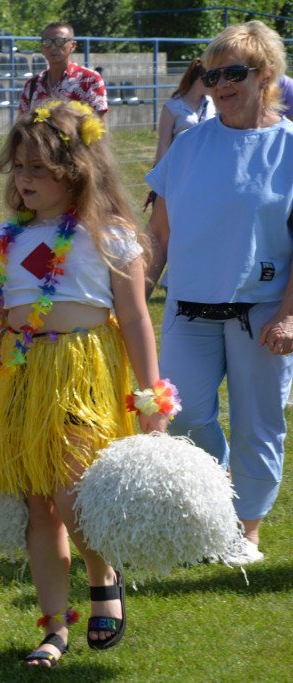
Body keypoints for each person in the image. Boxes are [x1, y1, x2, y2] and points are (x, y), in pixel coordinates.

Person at [0, 101, 170, 667]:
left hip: (83, 371)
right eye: (19, 169)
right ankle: (54, 625)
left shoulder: (111, 236)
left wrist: (151, 396)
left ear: (75, 170)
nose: (24, 180)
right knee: (37, 503)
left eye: (38, 169)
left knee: (70, 489)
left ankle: (104, 576)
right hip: (25, 373)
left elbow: (133, 320)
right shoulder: (8, 239)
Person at [145, 21, 293, 566]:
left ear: (266, 75)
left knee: (259, 422)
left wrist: (289, 316)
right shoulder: (187, 146)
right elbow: (159, 236)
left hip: (263, 312)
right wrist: (136, 294)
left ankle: (246, 531)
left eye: (235, 72)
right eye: (212, 74)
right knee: (181, 415)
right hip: (189, 308)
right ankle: (215, 502)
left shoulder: (291, 147)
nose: (221, 84)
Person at [144, 58, 217, 210]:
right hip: (180, 169)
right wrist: (160, 178)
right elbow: (164, 142)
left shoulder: (212, 104)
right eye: (210, 79)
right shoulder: (173, 106)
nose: (214, 84)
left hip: (206, 168)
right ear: (199, 79)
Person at [18, 22, 108, 121]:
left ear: (73, 45)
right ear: (42, 49)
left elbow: (101, 128)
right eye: (47, 42)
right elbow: (22, 126)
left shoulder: (89, 79)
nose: (52, 47)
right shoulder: (32, 84)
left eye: (59, 41)